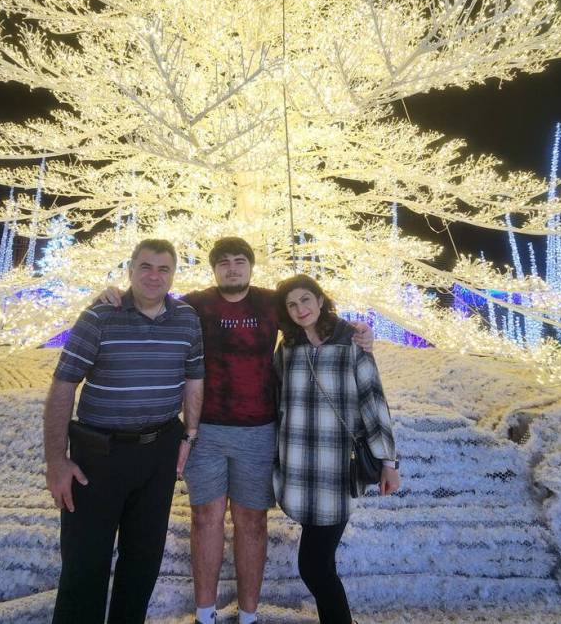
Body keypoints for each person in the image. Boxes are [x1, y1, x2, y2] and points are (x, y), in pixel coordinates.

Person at [98, 237, 372, 624]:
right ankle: (205, 614)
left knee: (252, 521)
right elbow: (150, 302)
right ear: (214, 269)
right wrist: (115, 294)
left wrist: (358, 331)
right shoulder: (194, 303)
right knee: (205, 518)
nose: (232, 268)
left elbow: (313, 317)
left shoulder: (269, 303)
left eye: (239, 261)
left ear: (250, 266)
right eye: (223, 262)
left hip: (259, 432)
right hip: (205, 430)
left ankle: (248, 616)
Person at [44, 239, 205, 624]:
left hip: (158, 452)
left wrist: (189, 435)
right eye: (146, 267)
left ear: (173, 274)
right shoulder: (100, 317)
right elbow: (64, 385)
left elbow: (193, 379)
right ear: (130, 269)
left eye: (164, 269)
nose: (154, 276)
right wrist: (55, 461)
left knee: (143, 562)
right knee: (85, 565)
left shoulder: (186, 319)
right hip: (99, 457)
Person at [274, 274, 400, 624]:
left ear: (319, 299)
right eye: (292, 304)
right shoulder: (288, 348)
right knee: (320, 563)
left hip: (335, 468)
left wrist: (388, 461)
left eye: (305, 300)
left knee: (313, 564)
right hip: (300, 465)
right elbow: (276, 400)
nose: (301, 309)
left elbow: (373, 402)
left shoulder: (350, 343)